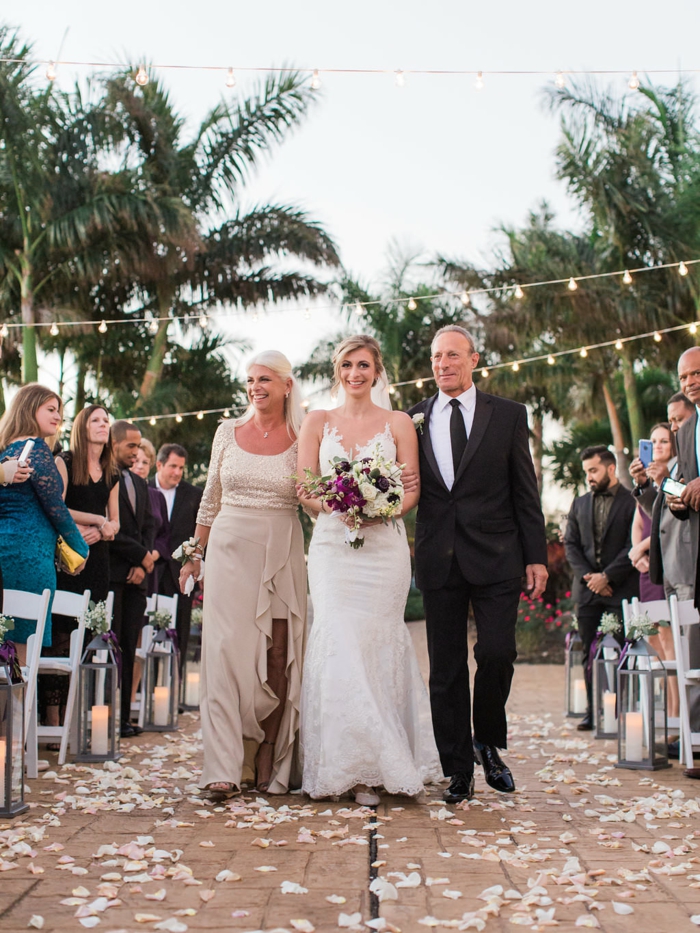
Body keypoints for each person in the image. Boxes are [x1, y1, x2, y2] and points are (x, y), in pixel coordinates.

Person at [297, 335, 442, 807]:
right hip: (332, 547)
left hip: (384, 549)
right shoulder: (316, 421)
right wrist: (339, 504)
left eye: (363, 365)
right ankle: (346, 766)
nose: (355, 373)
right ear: (337, 370)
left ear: (378, 370)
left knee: (377, 642)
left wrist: (382, 509)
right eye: (346, 365)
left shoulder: (399, 421)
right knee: (338, 637)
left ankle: (380, 767)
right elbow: (303, 487)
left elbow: (412, 489)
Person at [408, 326, 547, 802]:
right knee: (444, 670)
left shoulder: (507, 415)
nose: (442, 364)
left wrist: (536, 556)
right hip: (438, 558)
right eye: (435, 357)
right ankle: (458, 770)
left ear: (474, 359)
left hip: (498, 555)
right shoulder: (412, 420)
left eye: (452, 355)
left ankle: (486, 740)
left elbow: (525, 491)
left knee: (496, 652)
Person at [180, 351, 307, 799]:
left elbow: (313, 497)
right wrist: (194, 553)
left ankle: (266, 750)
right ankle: (222, 766)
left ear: (287, 385)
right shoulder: (225, 433)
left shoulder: (303, 434)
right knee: (223, 656)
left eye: (266, 379)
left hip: (280, 549)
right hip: (229, 550)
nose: (256, 387)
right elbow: (210, 499)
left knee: (277, 658)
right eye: (251, 380)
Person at [42, 405, 120, 737]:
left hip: (98, 561)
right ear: (82, 426)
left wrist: (104, 529)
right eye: (96, 420)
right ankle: (53, 720)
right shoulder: (66, 462)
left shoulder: (112, 470)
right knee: (61, 636)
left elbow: (116, 521)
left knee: (88, 635)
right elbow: (57, 507)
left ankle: (77, 721)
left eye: (106, 421)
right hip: (69, 559)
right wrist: (94, 522)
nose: (103, 425)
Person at [0, 384, 88, 665]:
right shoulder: (36, 448)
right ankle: (19, 710)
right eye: (50, 409)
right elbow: (56, 508)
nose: (58, 416)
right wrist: (80, 547)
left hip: (4, 552)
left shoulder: (5, 450)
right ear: (29, 408)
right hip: (30, 556)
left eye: (59, 411)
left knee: (3, 646)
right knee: (21, 654)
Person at [564, 445, 639, 730]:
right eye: (586, 472)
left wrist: (608, 577)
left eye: (593, 471)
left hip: (620, 589)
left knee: (623, 652)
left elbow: (631, 545)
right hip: (587, 592)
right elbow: (571, 545)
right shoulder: (579, 503)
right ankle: (594, 711)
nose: (589, 478)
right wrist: (591, 579)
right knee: (588, 652)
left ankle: (622, 712)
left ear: (610, 468)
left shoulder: (632, 502)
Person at [628, 423, 679, 718]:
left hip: (664, 561)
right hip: (646, 568)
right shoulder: (646, 482)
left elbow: (668, 521)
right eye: (653, 442)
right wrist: (637, 555)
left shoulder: (673, 477)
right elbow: (640, 520)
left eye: (664, 441)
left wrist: (645, 548)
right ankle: (663, 715)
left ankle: (675, 716)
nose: (657, 446)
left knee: (671, 643)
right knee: (654, 643)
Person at [109, 420, 156, 737]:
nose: (137, 451)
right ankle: (100, 716)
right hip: (112, 573)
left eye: (139, 446)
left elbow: (149, 526)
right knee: (107, 647)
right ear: (114, 444)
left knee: (129, 646)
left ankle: (123, 718)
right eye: (131, 446)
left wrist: (145, 560)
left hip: (137, 579)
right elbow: (112, 531)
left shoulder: (140, 484)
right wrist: (139, 555)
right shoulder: (103, 477)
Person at [152, 443, 202, 672]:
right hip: (150, 572)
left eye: (181, 468)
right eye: (173, 466)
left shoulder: (193, 495)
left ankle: (175, 688)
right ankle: (142, 689)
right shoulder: (143, 489)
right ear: (159, 464)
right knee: (148, 632)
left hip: (181, 575)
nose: (177, 472)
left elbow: (200, 535)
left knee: (179, 633)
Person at [132, 438, 169, 597]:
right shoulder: (120, 491)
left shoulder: (157, 497)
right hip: (127, 565)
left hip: (149, 567)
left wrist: (154, 554)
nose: (140, 466)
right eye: (136, 460)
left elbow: (165, 535)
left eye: (145, 462)